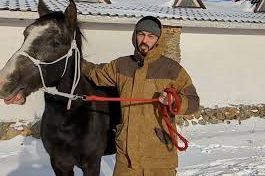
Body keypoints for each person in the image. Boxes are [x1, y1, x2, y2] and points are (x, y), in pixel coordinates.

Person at [81, 16, 200, 176]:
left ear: (158, 39)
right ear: (134, 35)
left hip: (160, 157)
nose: (145, 40)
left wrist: (174, 101)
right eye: (141, 34)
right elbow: (96, 73)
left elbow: (193, 102)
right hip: (126, 158)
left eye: (151, 36)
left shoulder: (172, 69)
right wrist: (75, 60)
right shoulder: (120, 65)